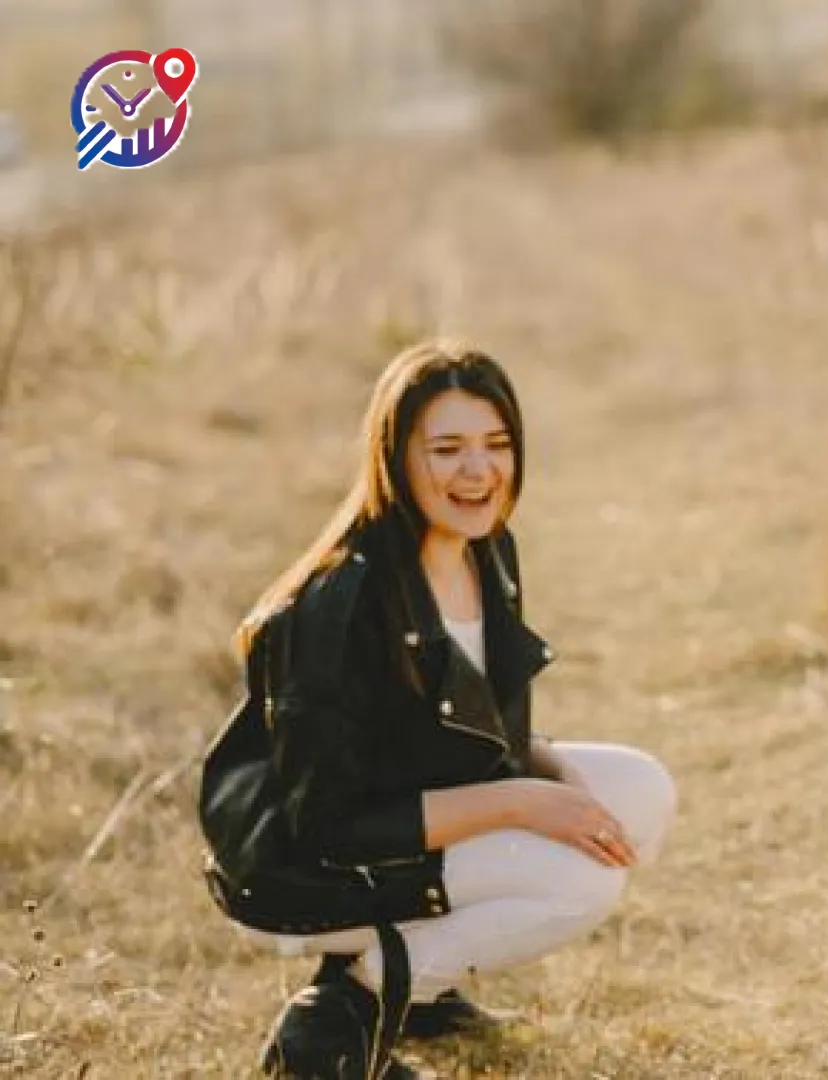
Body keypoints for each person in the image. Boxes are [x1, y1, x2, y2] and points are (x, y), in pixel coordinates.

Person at [198, 341, 677, 1079]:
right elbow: (327, 825)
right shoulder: (341, 605)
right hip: (305, 866)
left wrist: (554, 777)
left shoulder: (488, 550)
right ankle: (339, 1016)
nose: (478, 471)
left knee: (641, 790)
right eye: (447, 450)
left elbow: (474, 729)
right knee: (582, 882)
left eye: (497, 444)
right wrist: (522, 801)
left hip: (409, 810)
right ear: (395, 458)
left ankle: (422, 992)